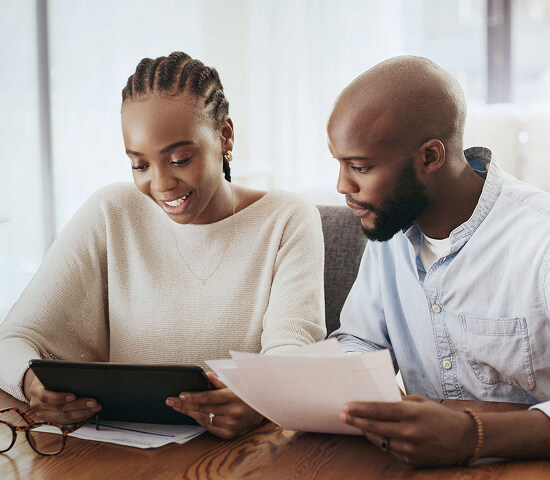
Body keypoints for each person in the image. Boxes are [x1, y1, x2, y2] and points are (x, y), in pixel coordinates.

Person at [0, 51, 326, 439]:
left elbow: (292, 354)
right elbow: (13, 339)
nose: (160, 185)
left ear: (224, 136)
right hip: (116, 454)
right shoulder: (112, 211)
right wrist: (32, 382)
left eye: (179, 159)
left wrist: (263, 398)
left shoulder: (287, 218)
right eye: (140, 165)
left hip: (241, 455)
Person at [328, 55, 550, 466]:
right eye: (339, 163)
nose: (343, 186)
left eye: (360, 167)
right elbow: (358, 340)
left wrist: (471, 435)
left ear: (430, 157)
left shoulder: (539, 239)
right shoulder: (389, 226)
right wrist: (375, 402)